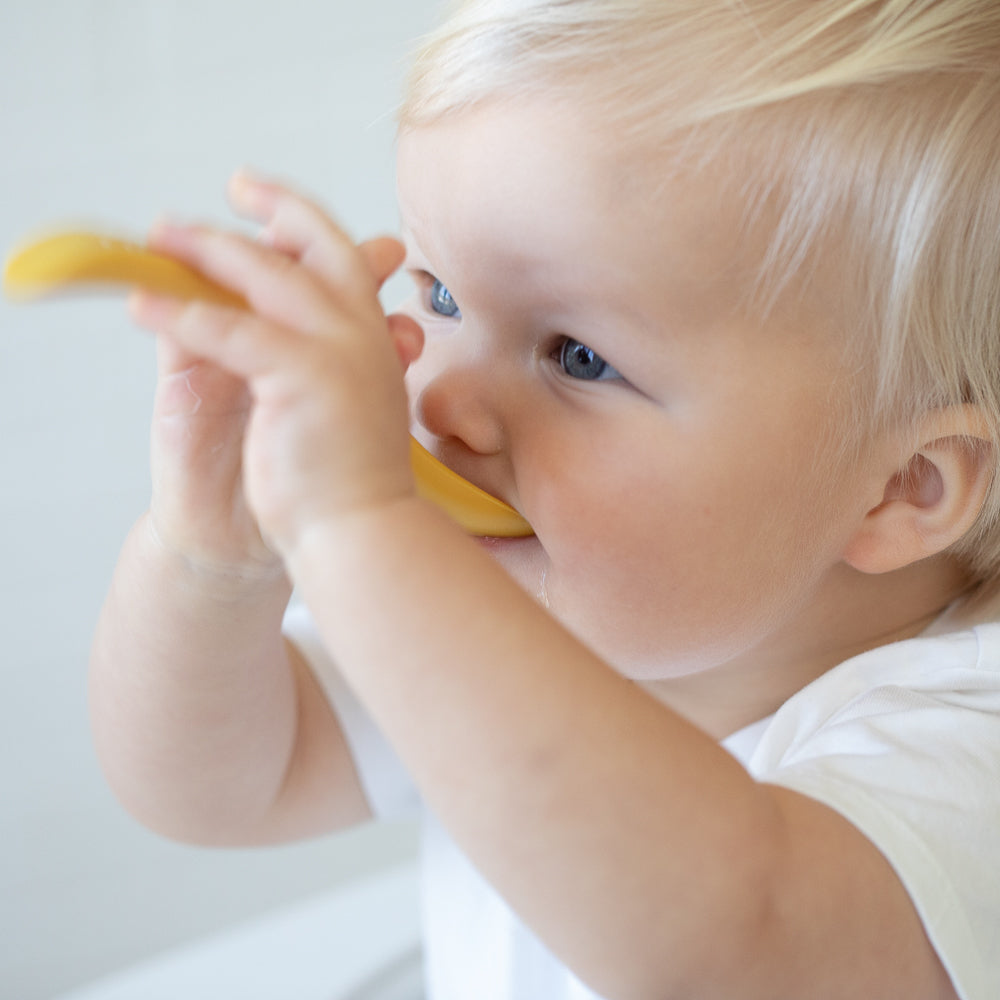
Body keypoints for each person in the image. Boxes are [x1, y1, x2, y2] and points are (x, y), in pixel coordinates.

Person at [88, 1, 1000, 997]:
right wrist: (207, 558)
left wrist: (358, 523)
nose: (437, 399)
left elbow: (733, 941)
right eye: (439, 296)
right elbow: (216, 787)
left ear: (900, 489)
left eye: (579, 356)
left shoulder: (961, 753)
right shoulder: (521, 609)